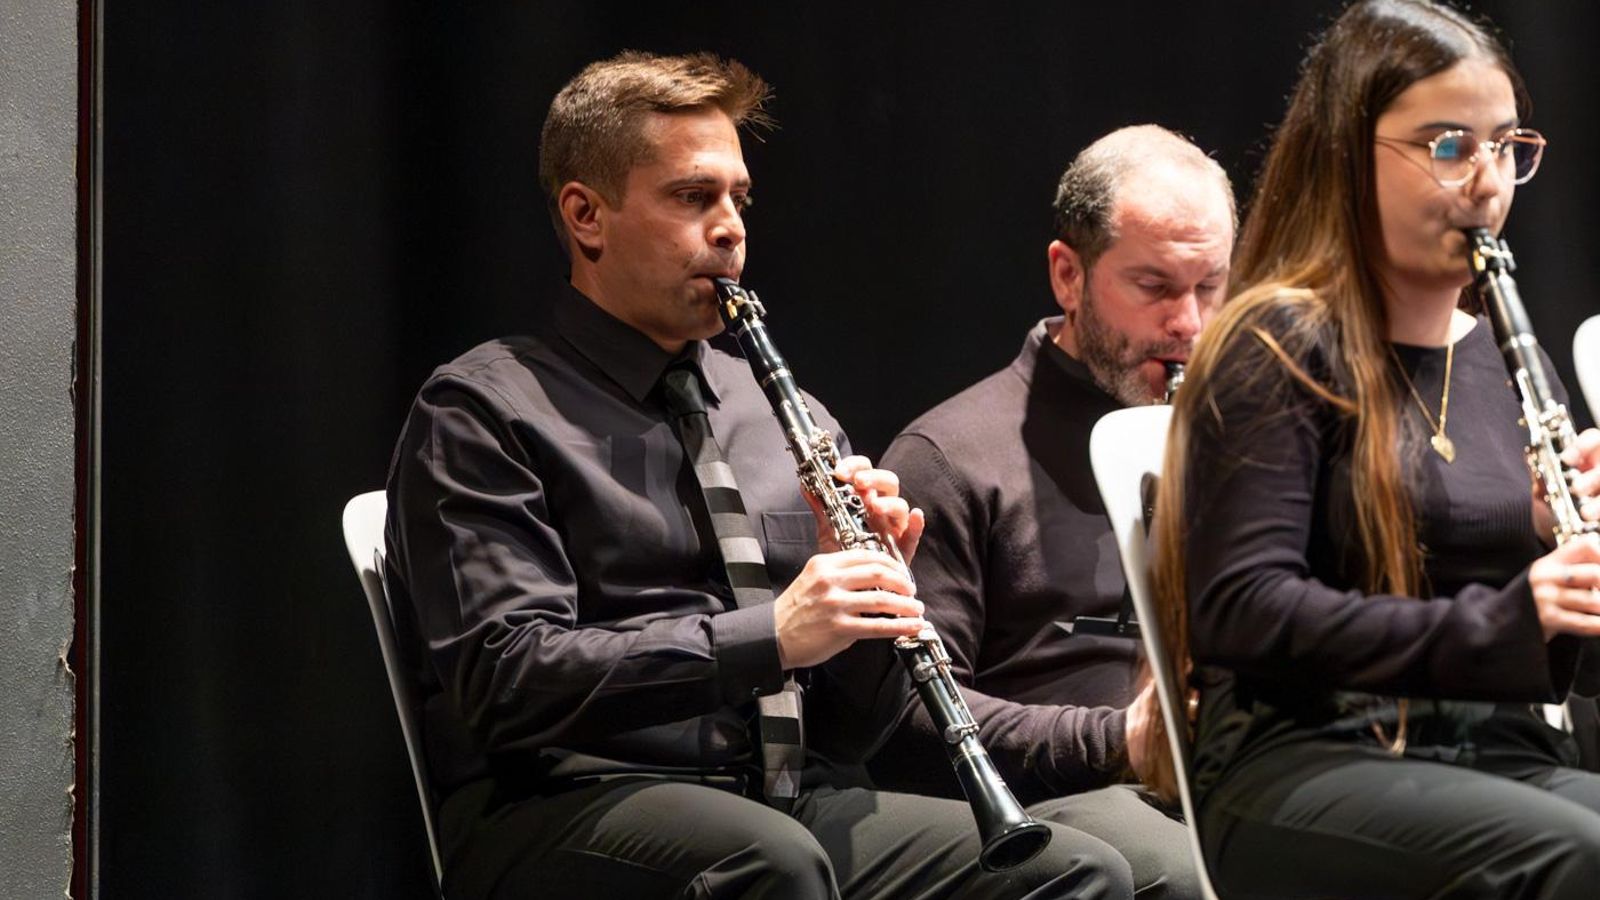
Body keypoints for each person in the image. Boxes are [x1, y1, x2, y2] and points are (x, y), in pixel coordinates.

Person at [383, 50, 1131, 900]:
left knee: (1072, 874)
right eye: (692, 197)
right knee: (769, 863)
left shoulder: (785, 413)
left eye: (739, 198)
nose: (731, 226)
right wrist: (772, 633)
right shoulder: (484, 409)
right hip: (563, 803)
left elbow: (848, 732)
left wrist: (869, 614)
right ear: (587, 216)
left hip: (785, 800)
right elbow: (504, 677)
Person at [1145, 1, 1600, 897]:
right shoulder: (1277, 344)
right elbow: (1242, 606)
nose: (1487, 181)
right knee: (1579, 858)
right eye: (1447, 147)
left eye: (1507, 146)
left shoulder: (1509, 357)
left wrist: (1561, 552)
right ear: (1351, 153)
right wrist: (1509, 615)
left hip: (1490, 752)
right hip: (1303, 759)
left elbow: (1548, 648)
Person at [869, 126, 1232, 900]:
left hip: (1231, 776)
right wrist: (1118, 741)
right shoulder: (950, 455)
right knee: (1190, 876)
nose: (1191, 323)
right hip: (1063, 804)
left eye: (1210, 286)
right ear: (1068, 276)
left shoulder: (1251, 438)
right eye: (1156, 286)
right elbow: (902, 720)